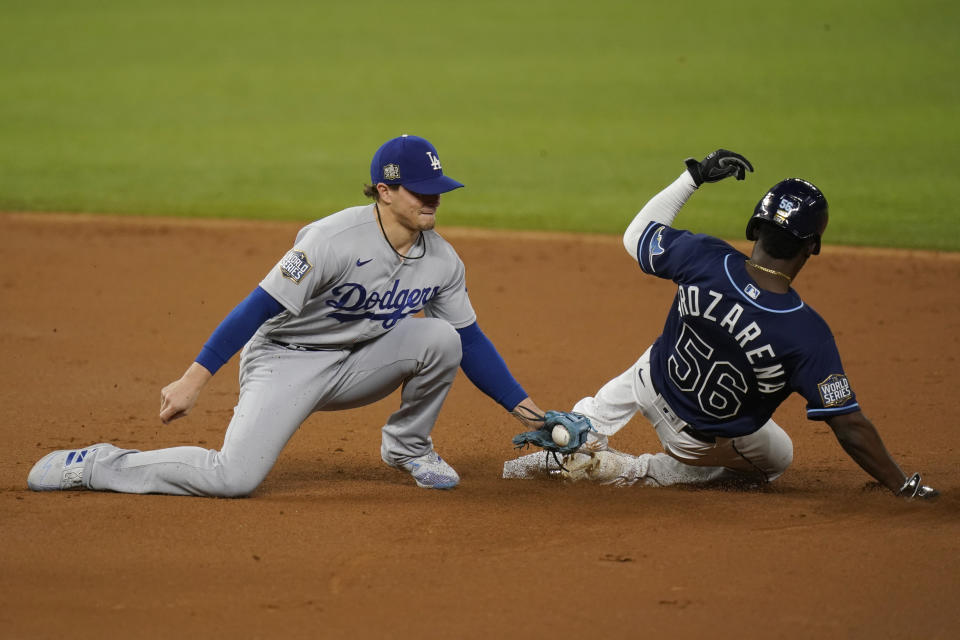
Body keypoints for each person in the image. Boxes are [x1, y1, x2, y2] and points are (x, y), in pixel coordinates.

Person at [29, 134, 547, 495]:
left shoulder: (442, 259)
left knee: (441, 338)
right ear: (384, 192)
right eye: (419, 190)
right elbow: (257, 306)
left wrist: (531, 414)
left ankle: (409, 448)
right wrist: (194, 378)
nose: (433, 199)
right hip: (285, 361)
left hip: (359, 363)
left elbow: (471, 340)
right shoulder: (331, 240)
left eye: (437, 189)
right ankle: (98, 464)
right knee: (232, 478)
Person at [504, 149, 938, 499]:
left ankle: (579, 428)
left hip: (648, 380)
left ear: (754, 227)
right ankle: (634, 470)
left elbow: (636, 234)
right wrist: (903, 484)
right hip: (693, 443)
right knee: (778, 459)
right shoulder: (806, 333)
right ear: (813, 247)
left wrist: (692, 177)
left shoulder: (706, 258)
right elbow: (849, 425)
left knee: (656, 359)